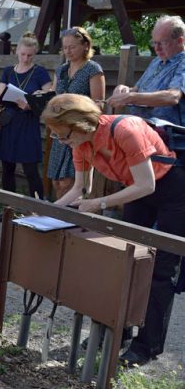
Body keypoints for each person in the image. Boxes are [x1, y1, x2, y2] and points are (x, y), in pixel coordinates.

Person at [43, 93, 185, 367]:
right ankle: (117, 331)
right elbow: (78, 189)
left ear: (80, 123)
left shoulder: (126, 130)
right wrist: (49, 211)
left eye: (62, 135)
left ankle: (147, 346)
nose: (61, 141)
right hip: (136, 190)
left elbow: (147, 185)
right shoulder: (80, 144)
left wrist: (102, 203)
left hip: (170, 189)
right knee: (125, 260)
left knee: (161, 269)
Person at [0, 33, 52, 210]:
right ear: (17, 52)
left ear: (35, 54)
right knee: (7, 168)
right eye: (23, 54)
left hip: (27, 124)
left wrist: (30, 104)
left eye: (30, 55)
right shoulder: (9, 71)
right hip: (8, 123)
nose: (26, 58)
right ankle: (9, 208)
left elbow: (48, 98)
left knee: (30, 170)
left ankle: (38, 209)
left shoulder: (39, 72)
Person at [45, 27, 105, 199]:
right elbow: (54, 97)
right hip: (60, 132)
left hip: (79, 133)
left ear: (86, 45)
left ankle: (71, 222)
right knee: (57, 181)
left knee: (69, 182)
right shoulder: (61, 70)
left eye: (72, 46)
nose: (68, 51)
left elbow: (98, 106)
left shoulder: (93, 69)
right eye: (65, 47)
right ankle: (59, 222)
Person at [108, 15, 185, 125]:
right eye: (154, 42)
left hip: (169, 135)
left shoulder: (182, 62)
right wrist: (124, 90)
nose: (156, 48)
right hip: (141, 127)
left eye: (162, 42)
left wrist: (131, 98)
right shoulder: (156, 61)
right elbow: (137, 89)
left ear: (179, 41)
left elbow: (172, 96)